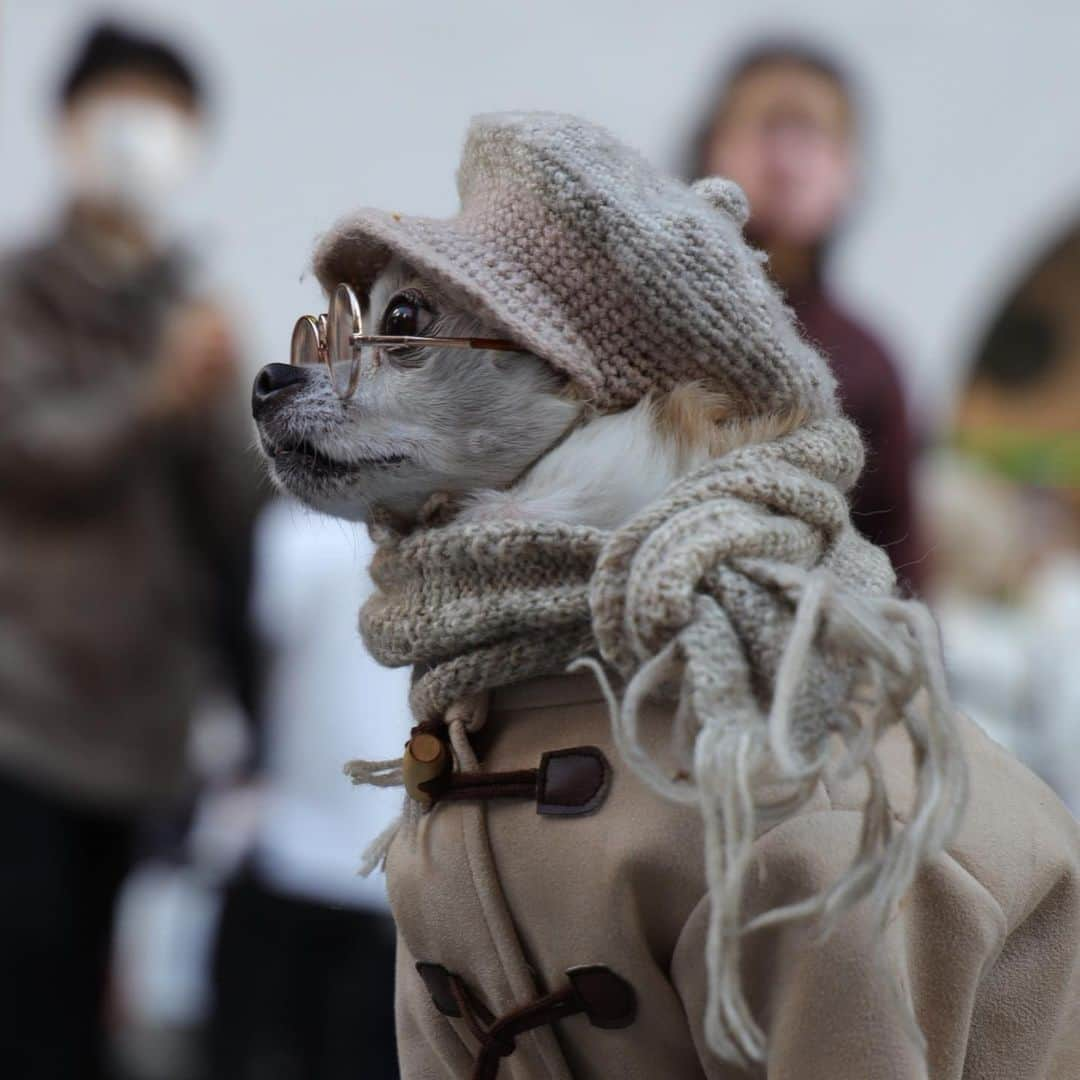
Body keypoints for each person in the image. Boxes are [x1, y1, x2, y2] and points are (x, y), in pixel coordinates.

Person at [0, 21, 259, 1078]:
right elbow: (28, 448)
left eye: (161, 111)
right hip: (20, 711)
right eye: (114, 106)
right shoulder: (19, 292)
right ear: (64, 127)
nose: (135, 137)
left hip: (145, 721)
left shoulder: (191, 307)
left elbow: (239, 517)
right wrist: (153, 392)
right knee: (26, 994)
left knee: (110, 1002)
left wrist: (227, 401)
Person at [685, 41, 926, 592]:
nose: (787, 157)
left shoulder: (871, 360)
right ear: (711, 145)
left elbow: (903, 559)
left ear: (851, 169)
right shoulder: (635, 313)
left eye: (813, 131)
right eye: (768, 124)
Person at [206, 498, 406, 1080]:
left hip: (307, 845)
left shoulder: (291, 528)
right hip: (376, 855)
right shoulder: (459, 520)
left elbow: (247, 652)